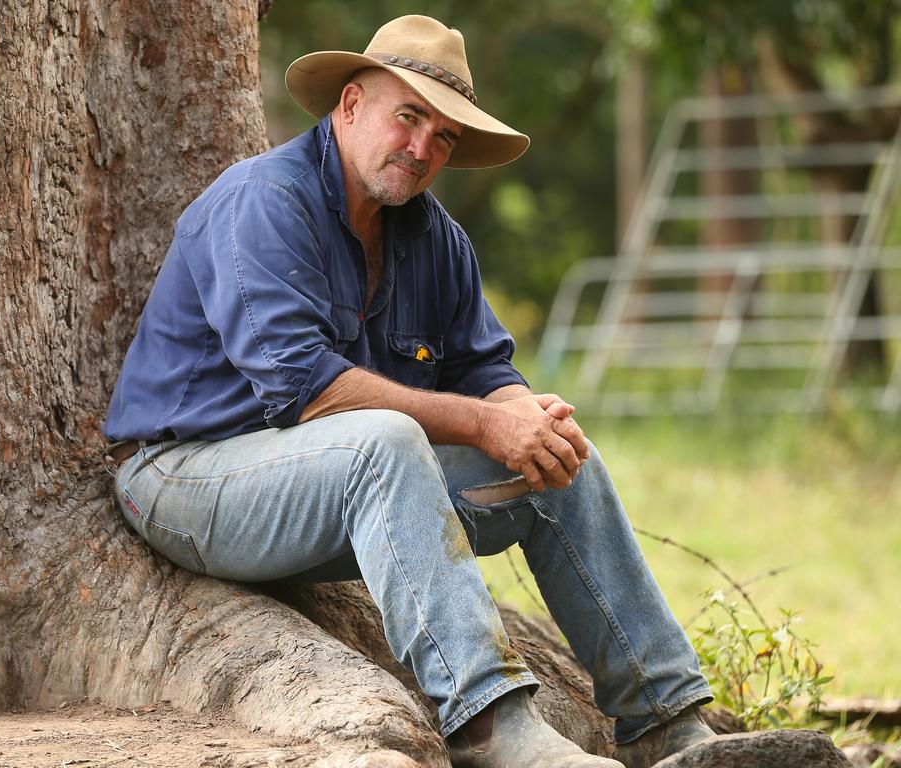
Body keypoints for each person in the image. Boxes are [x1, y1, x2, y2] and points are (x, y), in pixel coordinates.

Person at [103, 14, 716, 768]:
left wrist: (524, 416)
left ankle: (667, 722)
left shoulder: (434, 238)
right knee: (386, 440)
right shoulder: (264, 201)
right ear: (352, 105)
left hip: (330, 495)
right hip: (182, 480)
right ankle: (491, 726)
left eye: (445, 136)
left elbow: (484, 372)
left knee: (563, 460)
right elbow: (310, 391)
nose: (424, 149)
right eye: (410, 117)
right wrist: (485, 426)